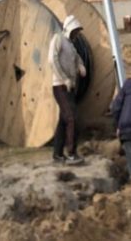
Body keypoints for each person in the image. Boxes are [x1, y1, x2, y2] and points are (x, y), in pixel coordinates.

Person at [49, 15, 87, 165]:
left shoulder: (70, 45)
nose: (77, 33)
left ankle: (57, 154)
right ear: (69, 28)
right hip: (60, 85)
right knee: (72, 118)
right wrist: (64, 78)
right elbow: (52, 59)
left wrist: (81, 66)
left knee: (63, 121)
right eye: (75, 30)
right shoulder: (58, 39)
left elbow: (77, 58)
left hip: (70, 86)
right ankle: (71, 153)